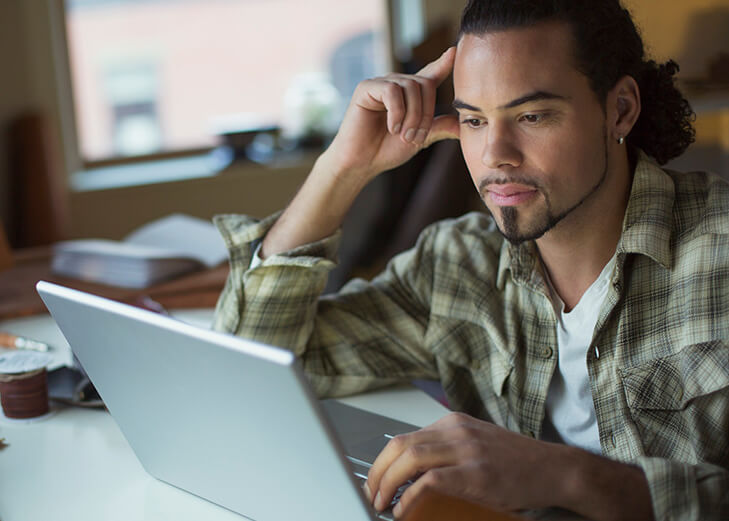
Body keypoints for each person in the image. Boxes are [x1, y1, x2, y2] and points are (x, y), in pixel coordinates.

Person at [212, 1, 729, 519]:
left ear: (620, 109)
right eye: (474, 120)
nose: (495, 154)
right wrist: (342, 168)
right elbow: (252, 368)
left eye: (531, 116)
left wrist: (561, 474)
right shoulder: (458, 264)